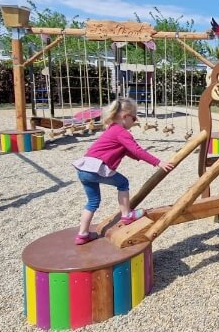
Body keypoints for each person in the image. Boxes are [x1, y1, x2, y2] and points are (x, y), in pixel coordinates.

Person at [71, 98, 174, 245]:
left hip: (84, 169)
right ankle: (126, 215)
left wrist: (138, 158)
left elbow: (128, 151)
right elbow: (137, 150)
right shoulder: (121, 132)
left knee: (92, 202)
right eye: (134, 117)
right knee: (123, 182)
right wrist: (158, 162)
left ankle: (82, 234)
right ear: (125, 116)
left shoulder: (112, 129)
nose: (135, 121)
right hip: (96, 168)